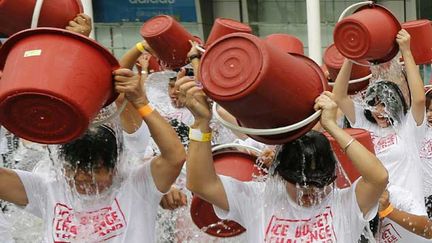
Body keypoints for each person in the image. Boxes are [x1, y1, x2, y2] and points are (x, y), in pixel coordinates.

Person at [177, 68, 389, 242]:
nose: (307, 188)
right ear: (280, 173)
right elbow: (200, 184)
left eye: (318, 182)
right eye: (297, 181)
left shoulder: (345, 204)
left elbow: (378, 177)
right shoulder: (258, 199)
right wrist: (200, 123)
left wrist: (332, 127)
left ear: (331, 176)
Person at [0, 68, 186, 242]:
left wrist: (141, 103)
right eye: (74, 167)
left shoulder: (138, 185)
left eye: (95, 169)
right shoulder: (47, 188)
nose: (81, 177)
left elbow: (175, 156)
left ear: (115, 166)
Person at [332, 29, 430, 242]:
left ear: (397, 105)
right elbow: (339, 96)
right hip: (373, 209)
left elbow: (420, 100)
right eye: (375, 105)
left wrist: (407, 51)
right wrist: (350, 56)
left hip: (406, 211)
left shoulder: (406, 128)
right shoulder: (365, 126)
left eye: (386, 105)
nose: (380, 111)